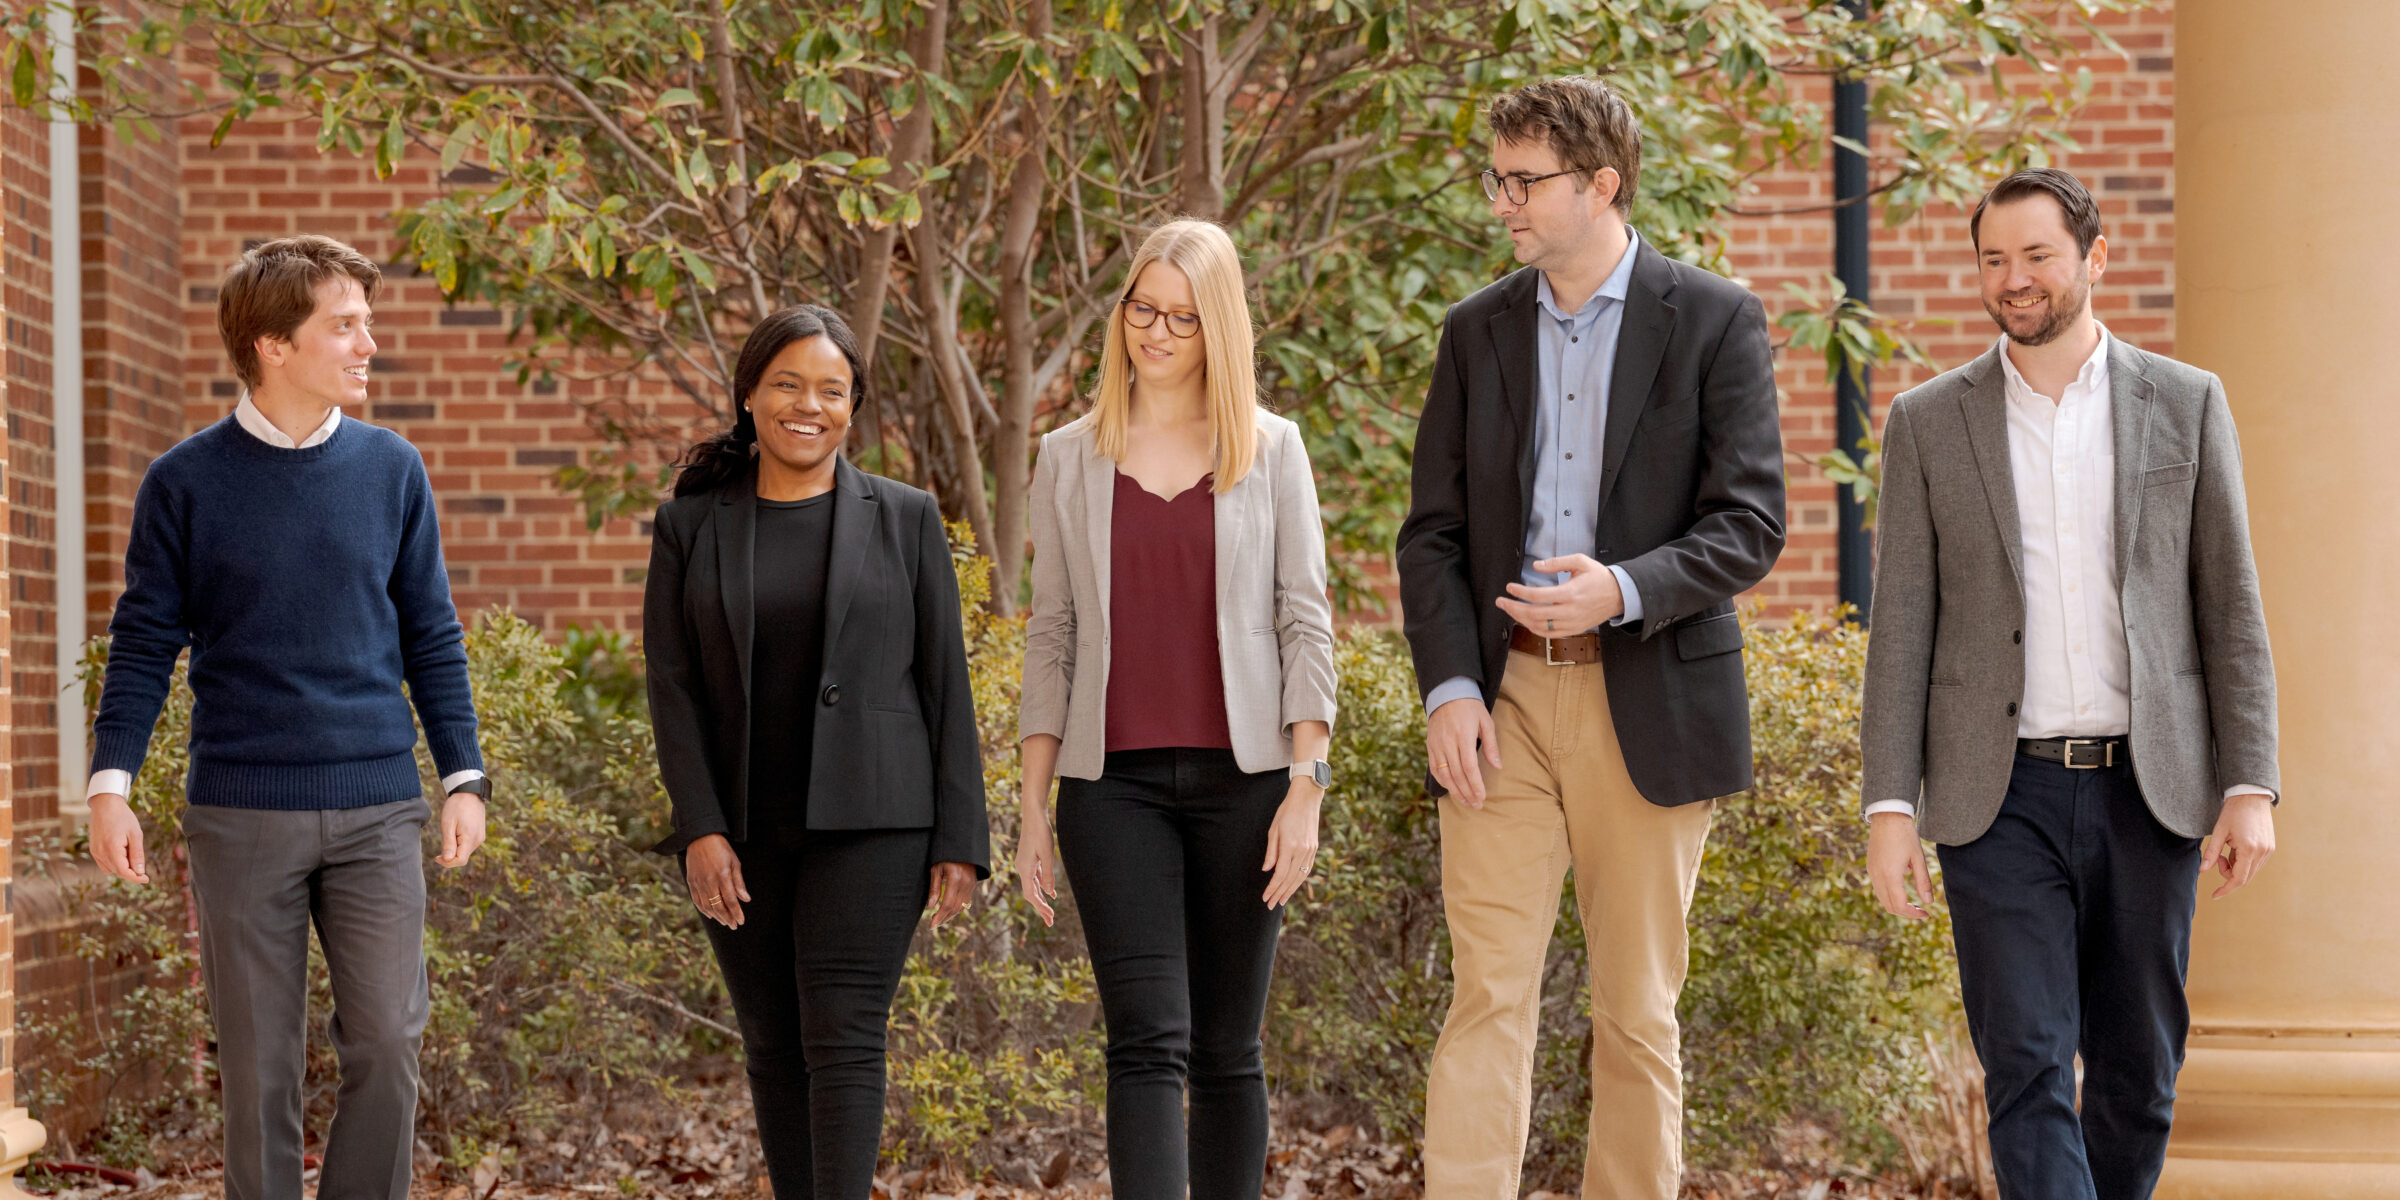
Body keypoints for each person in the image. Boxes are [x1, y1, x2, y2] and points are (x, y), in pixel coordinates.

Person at [1394, 77, 1787, 1200]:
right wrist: (1451, 689)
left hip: (1648, 699)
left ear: (1603, 185)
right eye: (1498, 179)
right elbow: (1432, 532)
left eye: (1527, 182)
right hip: (1504, 704)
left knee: (1635, 1011)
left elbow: (1751, 524)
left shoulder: (1713, 318)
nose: (1503, 203)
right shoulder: (1477, 331)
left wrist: (1619, 588)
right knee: (1487, 997)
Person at [1861, 167, 2279, 1200]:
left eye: (2038, 255)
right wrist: (1888, 806)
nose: (2016, 279)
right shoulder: (1928, 421)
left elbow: (2230, 606)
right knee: (2030, 1064)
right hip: (1998, 796)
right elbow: (1901, 624)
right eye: (1995, 259)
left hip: (2152, 788)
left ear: (2094, 257)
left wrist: (2251, 784)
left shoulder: (2185, 403)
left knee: (2137, 1074)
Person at [83, 234, 490, 1200]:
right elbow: (144, 643)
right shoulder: (183, 483)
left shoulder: (393, 470)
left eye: (367, 322)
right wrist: (112, 786)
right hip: (242, 812)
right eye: (344, 325)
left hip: (377, 806)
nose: (368, 344)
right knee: (260, 1068)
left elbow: (432, 633)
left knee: (388, 1042)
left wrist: (463, 775)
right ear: (272, 344)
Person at [1014, 218, 1337, 1200]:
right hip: (1111, 792)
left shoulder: (1271, 450)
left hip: (1246, 787)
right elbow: (1053, 633)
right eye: (1142, 309)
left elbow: (1304, 622)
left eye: (1182, 319)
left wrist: (1306, 787)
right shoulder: (1068, 456)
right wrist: (1031, 807)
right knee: (1146, 1040)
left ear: (1218, 331)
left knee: (1227, 1048)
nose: (1155, 333)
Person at [643, 305, 989, 1199]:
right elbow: (671, 689)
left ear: (853, 407)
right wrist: (700, 829)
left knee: (842, 1036)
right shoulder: (689, 526)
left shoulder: (906, 518)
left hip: (875, 821)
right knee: (773, 1045)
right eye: (789, 384)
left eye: (832, 391)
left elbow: (944, 682)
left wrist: (962, 836)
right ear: (751, 393)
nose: (810, 406)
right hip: (744, 827)